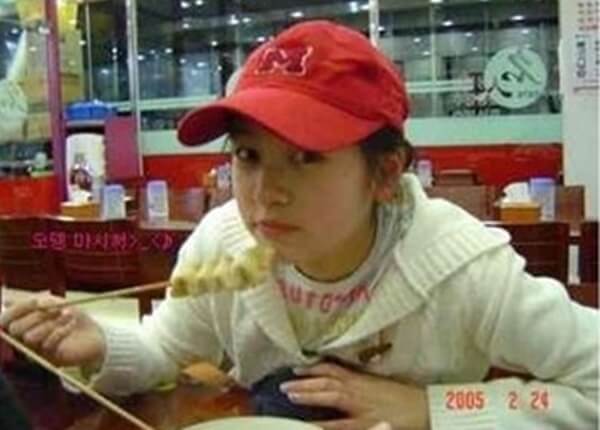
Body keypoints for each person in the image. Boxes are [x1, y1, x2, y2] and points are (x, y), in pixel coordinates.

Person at [0, 20, 598, 430]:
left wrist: (432, 408)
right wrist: (101, 343)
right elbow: (170, 346)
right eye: (248, 155)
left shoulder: (460, 267)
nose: (266, 193)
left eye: (306, 157)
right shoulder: (224, 241)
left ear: (386, 172)